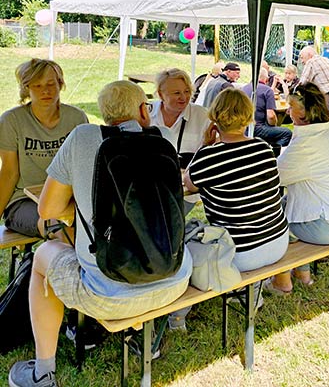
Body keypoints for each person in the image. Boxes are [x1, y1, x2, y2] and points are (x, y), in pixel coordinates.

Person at [8, 80, 193, 387]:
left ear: (105, 113)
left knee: (43, 257)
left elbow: (47, 210)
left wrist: (82, 204)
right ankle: (139, 337)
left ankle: (42, 372)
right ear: (142, 112)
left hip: (108, 294)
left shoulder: (83, 137)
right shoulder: (164, 137)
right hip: (173, 280)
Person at [266, 82, 329, 294]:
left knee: (269, 217)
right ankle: (302, 274)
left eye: (291, 107)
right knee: (287, 205)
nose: (287, 111)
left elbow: (273, 179)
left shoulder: (307, 143)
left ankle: (282, 281)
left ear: (304, 112)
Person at [184, 88, 289, 273]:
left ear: (215, 118)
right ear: (248, 115)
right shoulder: (263, 147)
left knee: (186, 239)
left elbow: (190, 184)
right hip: (279, 241)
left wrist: (204, 145)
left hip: (239, 252)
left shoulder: (209, 156)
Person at [0, 59, 88, 237]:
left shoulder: (76, 118)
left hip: (67, 198)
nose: (45, 91)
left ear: (60, 84)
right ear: (27, 89)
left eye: (50, 84)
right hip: (24, 201)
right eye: (37, 86)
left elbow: (84, 168)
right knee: (60, 228)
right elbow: (9, 172)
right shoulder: (11, 120)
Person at [149, 68, 210, 168]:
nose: (183, 97)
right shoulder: (146, 115)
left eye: (187, 91)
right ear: (161, 94)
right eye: (177, 93)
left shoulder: (203, 116)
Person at [242, 68, 292, 154]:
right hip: (258, 128)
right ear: (266, 79)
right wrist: (275, 124)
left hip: (244, 128)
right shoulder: (267, 90)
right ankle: (271, 153)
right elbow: (271, 116)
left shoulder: (244, 88)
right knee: (286, 133)